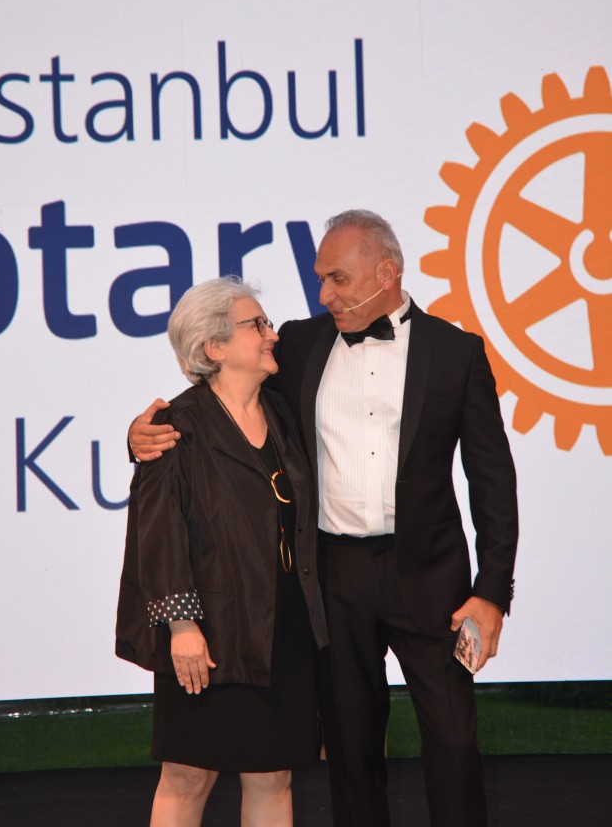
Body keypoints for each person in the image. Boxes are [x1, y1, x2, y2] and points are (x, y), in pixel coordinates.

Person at [128, 210, 519, 827]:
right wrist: (139, 437)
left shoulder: (456, 352)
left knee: (453, 740)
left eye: (338, 279)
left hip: (431, 579)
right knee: (349, 747)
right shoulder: (299, 345)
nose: (324, 295)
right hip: (332, 580)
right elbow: (215, 406)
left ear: (386, 273)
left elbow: (493, 481)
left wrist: (491, 591)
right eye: (320, 280)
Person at [116, 277, 328, 827]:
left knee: (274, 776)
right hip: (209, 635)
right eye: (257, 325)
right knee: (188, 776)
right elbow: (157, 536)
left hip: (285, 629)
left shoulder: (283, 412)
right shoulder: (174, 426)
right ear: (214, 346)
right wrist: (182, 626)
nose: (272, 334)